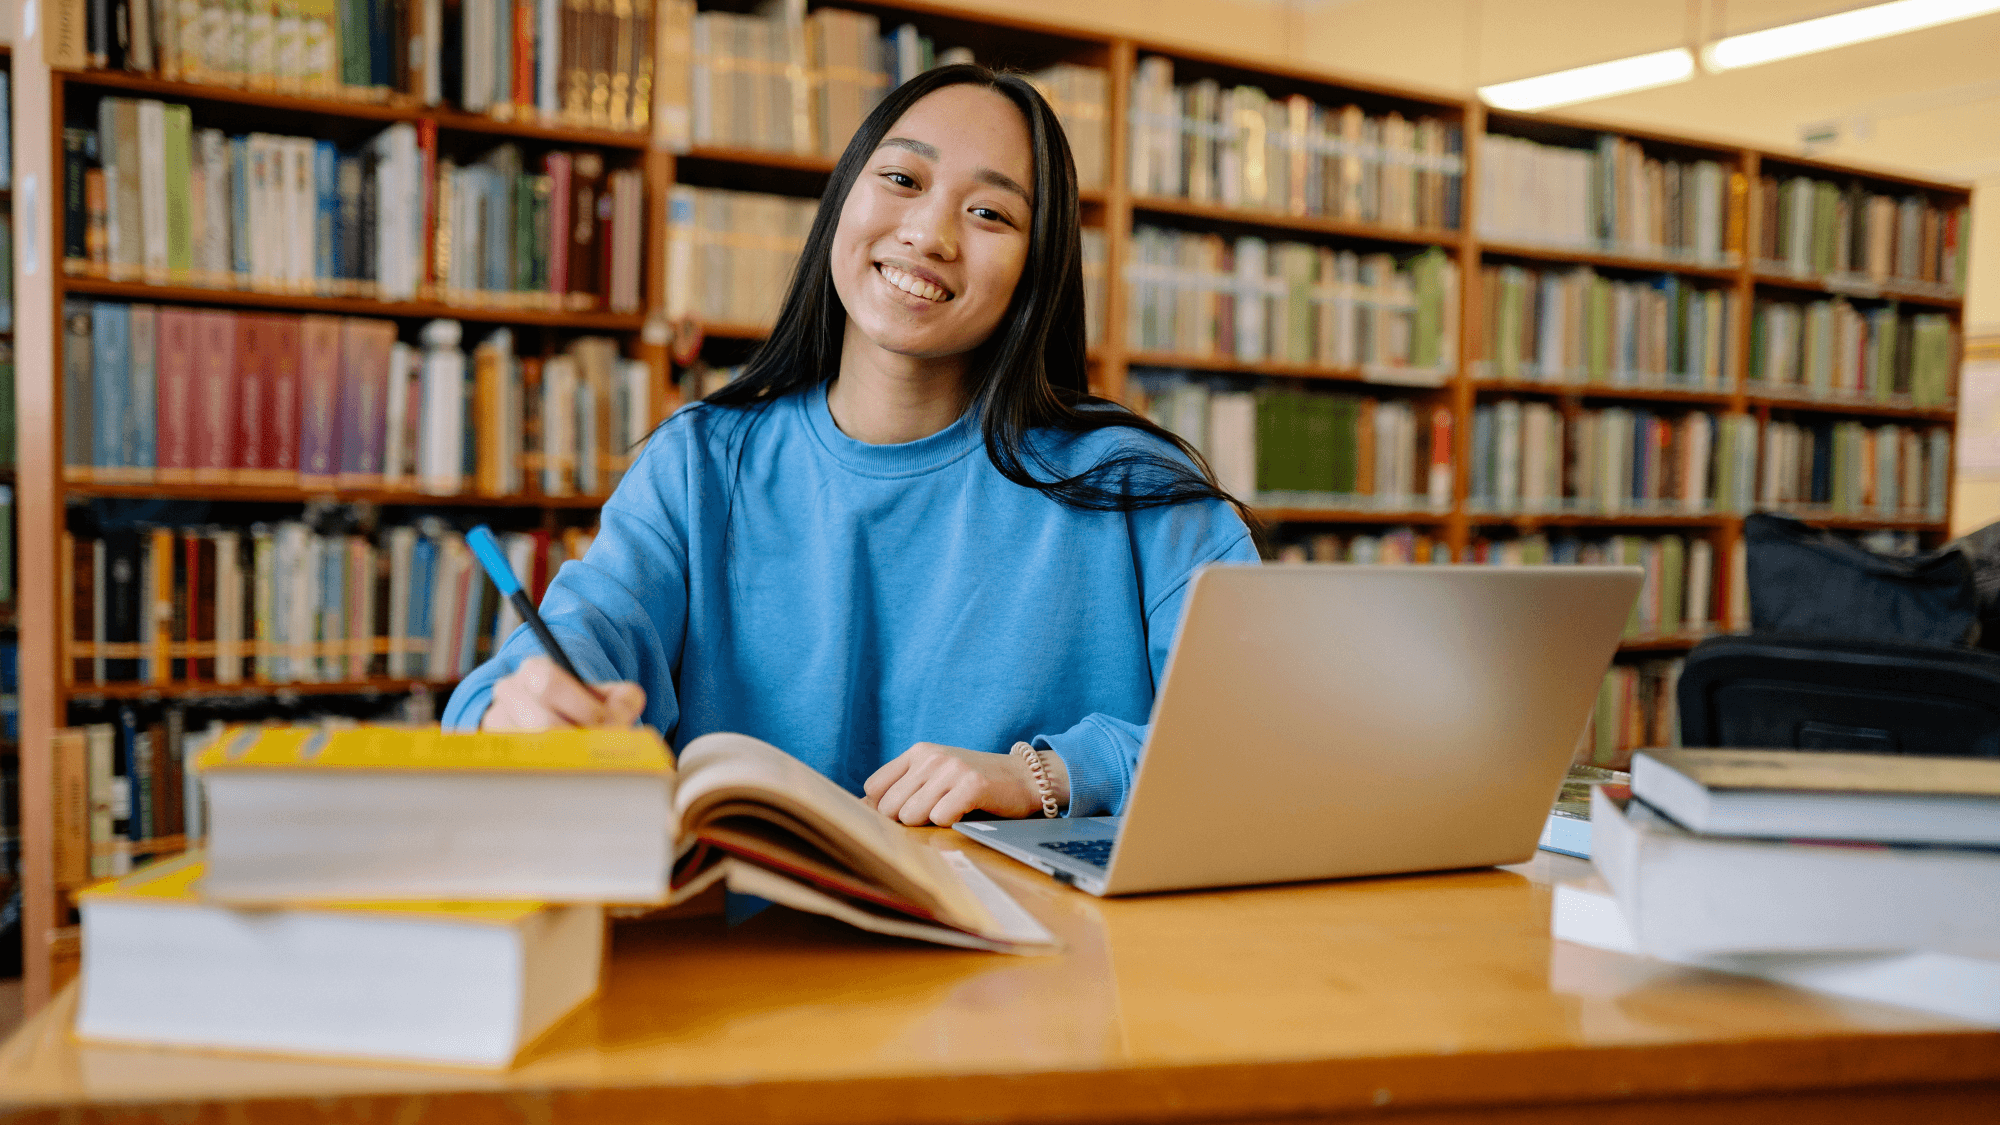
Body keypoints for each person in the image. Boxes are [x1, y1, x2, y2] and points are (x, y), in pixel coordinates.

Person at [442, 65, 1259, 826]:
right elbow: (588, 630)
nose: (930, 234)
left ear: (1035, 267)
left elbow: (1263, 740)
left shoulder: (1137, 488)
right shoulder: (698, 466)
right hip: (750, 966)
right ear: (842, 201)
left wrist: (1046, 774)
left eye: (990, 213)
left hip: (1046, 970)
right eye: (902, 179)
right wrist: (521, 702)